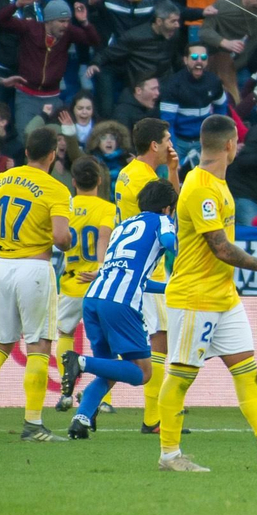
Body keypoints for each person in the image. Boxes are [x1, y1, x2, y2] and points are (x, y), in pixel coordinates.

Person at [156, 115, 257, 473]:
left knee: (247, 372)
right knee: (180, 377)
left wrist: (173, 171)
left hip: (224, 297)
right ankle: (169, 456)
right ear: (230, 145)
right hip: (195, 297)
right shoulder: (203, 187)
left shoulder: (210, 182)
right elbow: (222, 248)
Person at [0, 127, 73, 442]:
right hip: (34, 269)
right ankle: (33, 425)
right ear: (52, 155)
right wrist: (68, 240)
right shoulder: (56, 188)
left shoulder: (2, 179)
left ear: (26, 152)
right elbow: (61, 238)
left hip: (3, 267)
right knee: (39, 346)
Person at [59, 179, 180, 440]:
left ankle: (81, 419)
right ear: (167, 208)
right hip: (120, 303)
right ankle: (81, 362)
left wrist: (170, 288)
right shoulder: (162, 221)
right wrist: (188, 253)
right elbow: (170, 241)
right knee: (142, 372)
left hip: (93, 298)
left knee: (109, 368)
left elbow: (136, 277)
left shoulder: (123, 226)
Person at [113, 117, 181, 435]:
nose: (171, 145)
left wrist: (171, 171)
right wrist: (174, 174)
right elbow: (171, 214)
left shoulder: (127, 172)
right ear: (155, 145)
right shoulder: (146, 179)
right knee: (158, 339)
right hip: (147, 266)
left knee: (133, 342)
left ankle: (92, 407)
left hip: (127, 263)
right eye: (167, 140)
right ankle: (153, 418)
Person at [52, 157, 114, 411]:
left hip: (71, 284)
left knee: (65, 335)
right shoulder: (107, 208)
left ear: (74, 182)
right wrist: (100, 267)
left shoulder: (65, 207)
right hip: (98, 284)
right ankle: (104, 400)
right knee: (105, 341)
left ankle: (66, 393)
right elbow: (104, 237)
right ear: (99, 180)